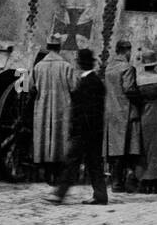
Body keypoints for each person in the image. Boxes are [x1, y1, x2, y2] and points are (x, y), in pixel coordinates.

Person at [48, 47, 108, 205]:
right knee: (94, 163)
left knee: (72, 162)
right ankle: (100, 195)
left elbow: (85, 111)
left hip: (83, 132)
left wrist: (76, 130)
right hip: (94, 131)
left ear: (80, 64)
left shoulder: (87, 83)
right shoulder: (95, 82)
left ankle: (59, 194)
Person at [28, 35, 77, 183]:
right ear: (59, 48)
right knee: (60, 138)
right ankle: (57, 174)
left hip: (42, 108)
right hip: (61, 109)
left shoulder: (38, 67)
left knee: (45, 138)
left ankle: (46, 172)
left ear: (48, 47)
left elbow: (29, 88)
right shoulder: (67, 66)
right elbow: (74, 88)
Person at [102, 39, 142, 193]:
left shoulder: (109, 67)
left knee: (114, 148)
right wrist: (140, 100)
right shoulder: (127, 68)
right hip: (125, 111)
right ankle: (118, 183)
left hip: (110, 110)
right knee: (125, 148)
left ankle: (115, 180)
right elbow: (129, 89)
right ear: (127, 51)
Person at [134, 50, 157, 191]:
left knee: (142, 146)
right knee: (156, 146)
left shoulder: (138, 79)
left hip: (143, 113)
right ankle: (154, 178)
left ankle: (142, 177)